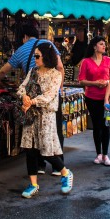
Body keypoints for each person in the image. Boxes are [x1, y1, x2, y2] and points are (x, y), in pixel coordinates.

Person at [0, 24, 64, 172]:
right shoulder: (48, 44)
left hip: (34, 102)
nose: (35, 58)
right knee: (53, 133)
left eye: (37, 57)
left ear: (24, 37)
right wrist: (60, 88)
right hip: (49, 99)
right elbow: (60, 67)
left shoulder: (21, 50)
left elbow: (3, 71)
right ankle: (57, 167)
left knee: (37, 136)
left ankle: (43, 166)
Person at [17, 42, 73, 198]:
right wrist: (24, 96)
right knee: (30, 150)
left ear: (46, 57)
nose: (35, 58)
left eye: (37, 56)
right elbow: (22, 86)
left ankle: (65, 173)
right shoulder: (32, 71)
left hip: (46, 116)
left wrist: (32, 101)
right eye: (34, 56)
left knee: (47, 151)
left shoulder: (56, 74)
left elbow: (49, 96)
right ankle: (33, 184)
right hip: (30, 115)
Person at [78, 36, 110, 167]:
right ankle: (98, 153)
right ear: (94, 46)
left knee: (106, 125)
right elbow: (81, 80)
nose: (104, 46)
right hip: (91, 97)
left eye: (104, 44)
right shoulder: (86, 62)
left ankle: (105, 154)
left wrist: (106, 82)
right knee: (97, 125)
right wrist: (95, 83)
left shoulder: (109, 60)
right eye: (101, 44)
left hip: (106, 98)